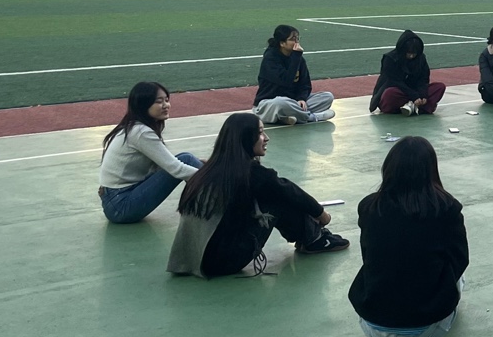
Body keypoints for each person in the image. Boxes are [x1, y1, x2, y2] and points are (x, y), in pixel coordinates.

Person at [168, 114, 347, 278]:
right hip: (223, 264)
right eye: (260, 132)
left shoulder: (209, 168)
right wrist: (321, 214)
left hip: (190, 261)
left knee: (271, 193)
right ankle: (314, 239)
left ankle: (310, 236)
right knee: (277, 197)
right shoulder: (250, 173)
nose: (266, 138)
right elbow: (290, 191)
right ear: (246, 138)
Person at [348, 137, 469, 337]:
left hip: (373, 328)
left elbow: (368, 255)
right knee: (457, 275)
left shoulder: (369, 206)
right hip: (428, 331)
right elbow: (460, 260)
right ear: (431, 170)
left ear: (388, 168)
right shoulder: (447, 207)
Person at [97, 81, 203, 224]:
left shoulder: (134, 127)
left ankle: (219, 197)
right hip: (121, 205)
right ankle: (227, 197)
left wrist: (205, 167)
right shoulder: (141, 132)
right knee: (186, 161)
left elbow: (162, 166)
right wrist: (213, 174)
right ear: (143, 105)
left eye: (166, 100)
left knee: (186, 158)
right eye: (159, 102)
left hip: (116, 200)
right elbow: (176, 169)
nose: (166, 105)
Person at [253, 25, 337, 124]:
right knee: (280, 102)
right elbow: (285, 81)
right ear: (282, 43)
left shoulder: (299, 59)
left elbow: (305, 84)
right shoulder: (271, 59)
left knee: (327, 97)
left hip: (293, 102)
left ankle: (286, 117)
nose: (297, 42)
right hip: (268, 104)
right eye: (293, 39)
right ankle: (311, 117)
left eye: (297, 38)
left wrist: (301, 98)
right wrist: (296, 57)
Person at [370, 30, 447, 116]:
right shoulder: (390, 59)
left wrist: (423, 95)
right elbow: (393, 81)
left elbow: (423, 79)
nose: (411, 56)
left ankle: (412, 105)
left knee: (439, 87)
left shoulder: (421, 58)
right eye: (409, 53)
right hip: (397, 89)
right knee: (390, 93)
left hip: (415, 90)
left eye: (414, 54)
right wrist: (413, 96)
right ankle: (417, 107)